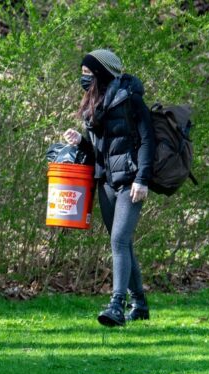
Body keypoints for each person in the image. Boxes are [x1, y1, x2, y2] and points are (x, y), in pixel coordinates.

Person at [63, 49, 155, 326]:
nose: (83, 79)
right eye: (82, 74)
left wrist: (142, 179)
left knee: (118, 241)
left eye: (88, 74)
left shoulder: (131, 100)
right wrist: (80, 141)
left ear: (102, 73)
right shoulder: (92, 107)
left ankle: (117, 304)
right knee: (122, 243)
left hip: (130, 182)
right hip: (105, 183)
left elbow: (148, 140)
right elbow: (99, 151)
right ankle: (139, 304)